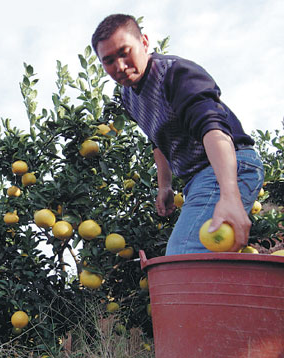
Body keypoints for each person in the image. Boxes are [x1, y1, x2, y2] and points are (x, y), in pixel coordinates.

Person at [91, 14, 264, 255]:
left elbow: (213, 129)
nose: (119, 66)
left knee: (184, 252)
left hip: (228, 166)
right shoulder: (128, 96)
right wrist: (165, 186)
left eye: (124, 52)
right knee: (208, 257)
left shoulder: (175, 73)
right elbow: (157, 139)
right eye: (108, 60)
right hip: (197, 180)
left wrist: (229, 194)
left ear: (144, 42)